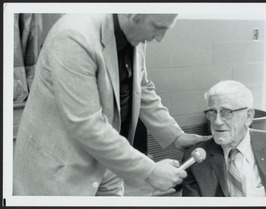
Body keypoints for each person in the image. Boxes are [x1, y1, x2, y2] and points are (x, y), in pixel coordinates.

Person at [13, 13, 210, 196]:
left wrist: (176, 135)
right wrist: (150, 171)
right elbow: (86, 126)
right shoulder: (73, 36)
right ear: (133, 15)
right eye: (158, 27)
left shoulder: (137, 36)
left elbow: (141, 89)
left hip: (111, 160)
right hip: (61, 168)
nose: (160, 38)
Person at [181, 80, 266, 197]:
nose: (217, 121)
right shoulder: (196, 159)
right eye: (212, 112)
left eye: (226, 112)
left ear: (248, 116)